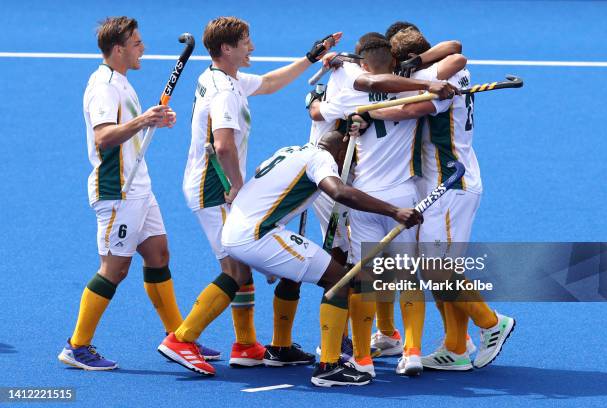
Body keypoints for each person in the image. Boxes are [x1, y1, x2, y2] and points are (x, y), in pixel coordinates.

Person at [158, 130, 422, 387]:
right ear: (340, 151)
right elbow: (339, 192)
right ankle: (329, 367)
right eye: (350, 161)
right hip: (257, 235)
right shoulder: (322, 158)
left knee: (247, 275)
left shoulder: (289, 151)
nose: (348, 168)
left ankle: (272, 347)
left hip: (237, 230)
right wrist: (394, 211)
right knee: (339, 279)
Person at [179, 16, 340, 367]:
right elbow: (223, 146)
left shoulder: (221, 78)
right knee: (234, 271)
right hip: (214, 187)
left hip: (210, 183)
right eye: (245, 42)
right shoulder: (224, 92)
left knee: (242, 269)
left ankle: (246, 346)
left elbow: (268, 83)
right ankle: (182, 338)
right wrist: (238, 188)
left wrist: (310, 58)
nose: (251, 47)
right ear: (227, 48)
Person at [58, 16, 218, 370]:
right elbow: (103, 136)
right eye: (136, 43)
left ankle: (179, 337)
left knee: (159, 254)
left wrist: (152, 120)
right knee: (114, 269)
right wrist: (143, 120)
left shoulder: (122, 83)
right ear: (118, 49)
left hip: (139, 187)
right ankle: (77, 345)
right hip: (118, 190)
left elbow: (126, 130)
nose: (142, 47)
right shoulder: (104, 86)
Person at [310, 35, 465, 376]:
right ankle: (411, 352)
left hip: (364, 199)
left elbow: (320, 113)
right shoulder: (414, 89)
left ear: (363, 65)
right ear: (393, 63)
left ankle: (363, 359)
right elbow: (454, 54)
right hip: (402, 196)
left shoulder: (351, 94)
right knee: (408, 274)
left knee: (368, 278)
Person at [378, 27, 516, 371]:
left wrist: (368, 111)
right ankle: (455, 347)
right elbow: (455, 47)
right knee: (444, 269)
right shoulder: (443, 67)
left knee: (436, 269)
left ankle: (491, 323)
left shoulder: (430, 77)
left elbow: (411, 112)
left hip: (450, 184)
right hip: (441, 184)